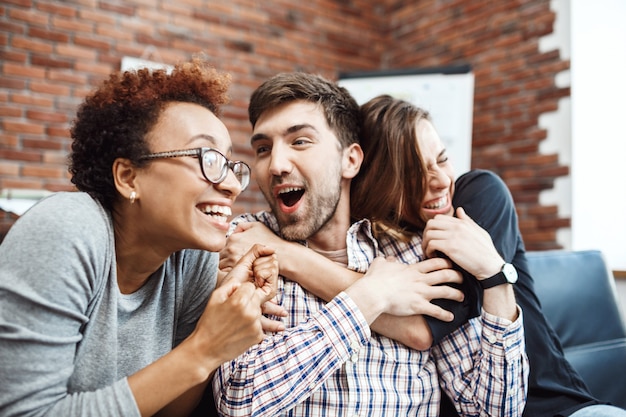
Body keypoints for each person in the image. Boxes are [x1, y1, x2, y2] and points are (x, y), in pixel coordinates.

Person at [213, 72, 528, 416]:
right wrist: (369, 296)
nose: (276, 164)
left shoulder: (411, 254)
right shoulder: (243, 245)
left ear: (351, 160)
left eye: (300, 141)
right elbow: (239, 400)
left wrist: (496, 279)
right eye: (262, 149)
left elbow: (491, 411)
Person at [0, 57, 280, 417]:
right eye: (207, 157)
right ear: (129, 178)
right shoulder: (66, 229)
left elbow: (170, 410)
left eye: (227, 163)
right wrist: (204, 348)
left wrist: (216, 328)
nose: (229, 184)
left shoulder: (192, 257)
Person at [350, 94, 626, 417]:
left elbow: (424, 327)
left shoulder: (477, 198)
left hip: (559, 408)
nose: (441, 181)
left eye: (442, 159)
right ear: (380, 182)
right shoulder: (378, 253)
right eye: (414, 173)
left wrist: (495, 271)